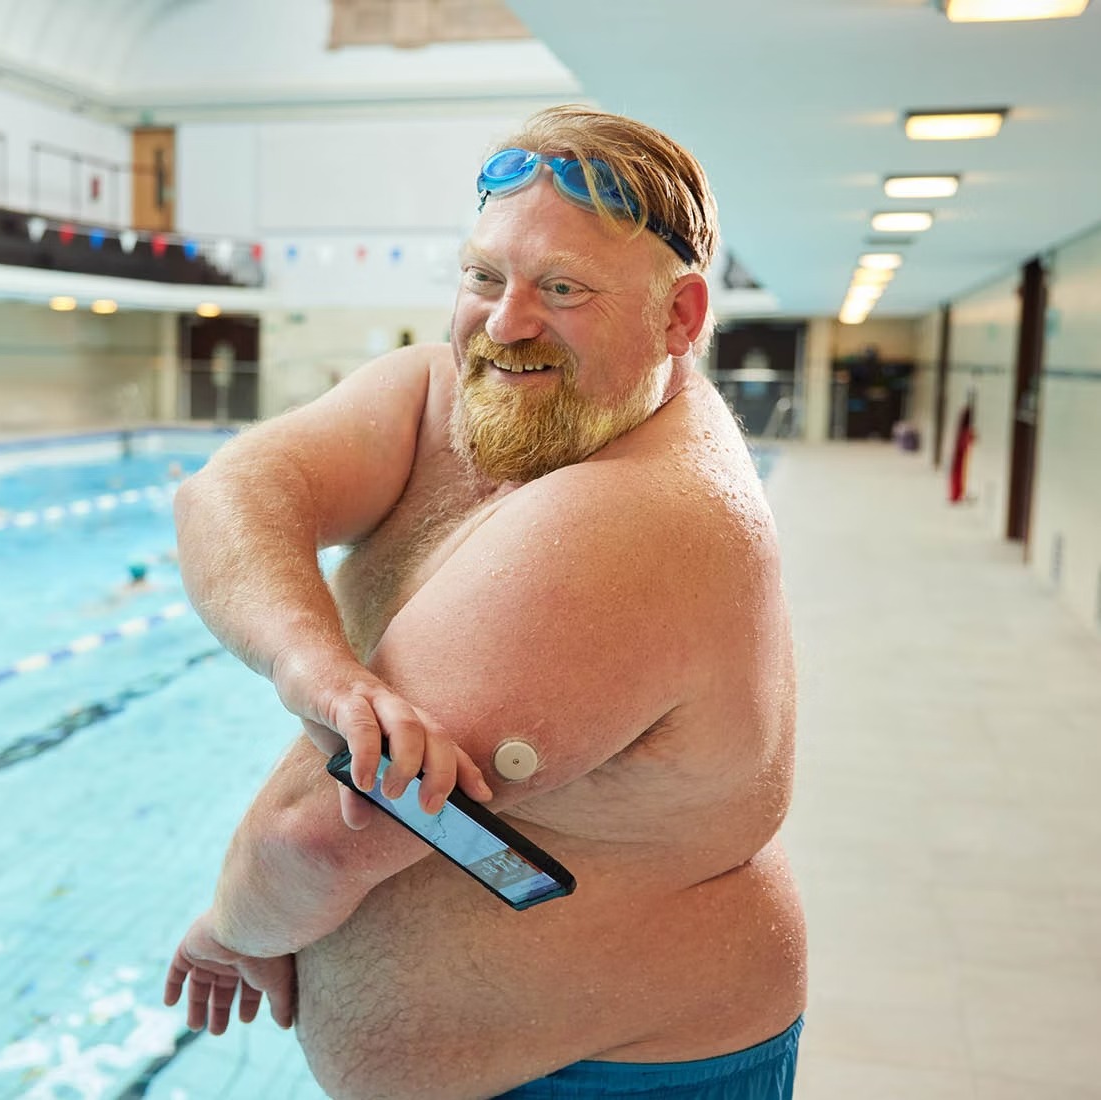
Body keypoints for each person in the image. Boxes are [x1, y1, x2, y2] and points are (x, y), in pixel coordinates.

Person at [163, 105, 806, 1100]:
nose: (506, 324)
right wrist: (311, 662)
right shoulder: (448, 394)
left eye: (562, 288)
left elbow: (327, 829)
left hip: (611, 1075)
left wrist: (230, 926)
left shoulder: (631, 523)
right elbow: (229, 492)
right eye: (482, 277)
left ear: (678, 317)